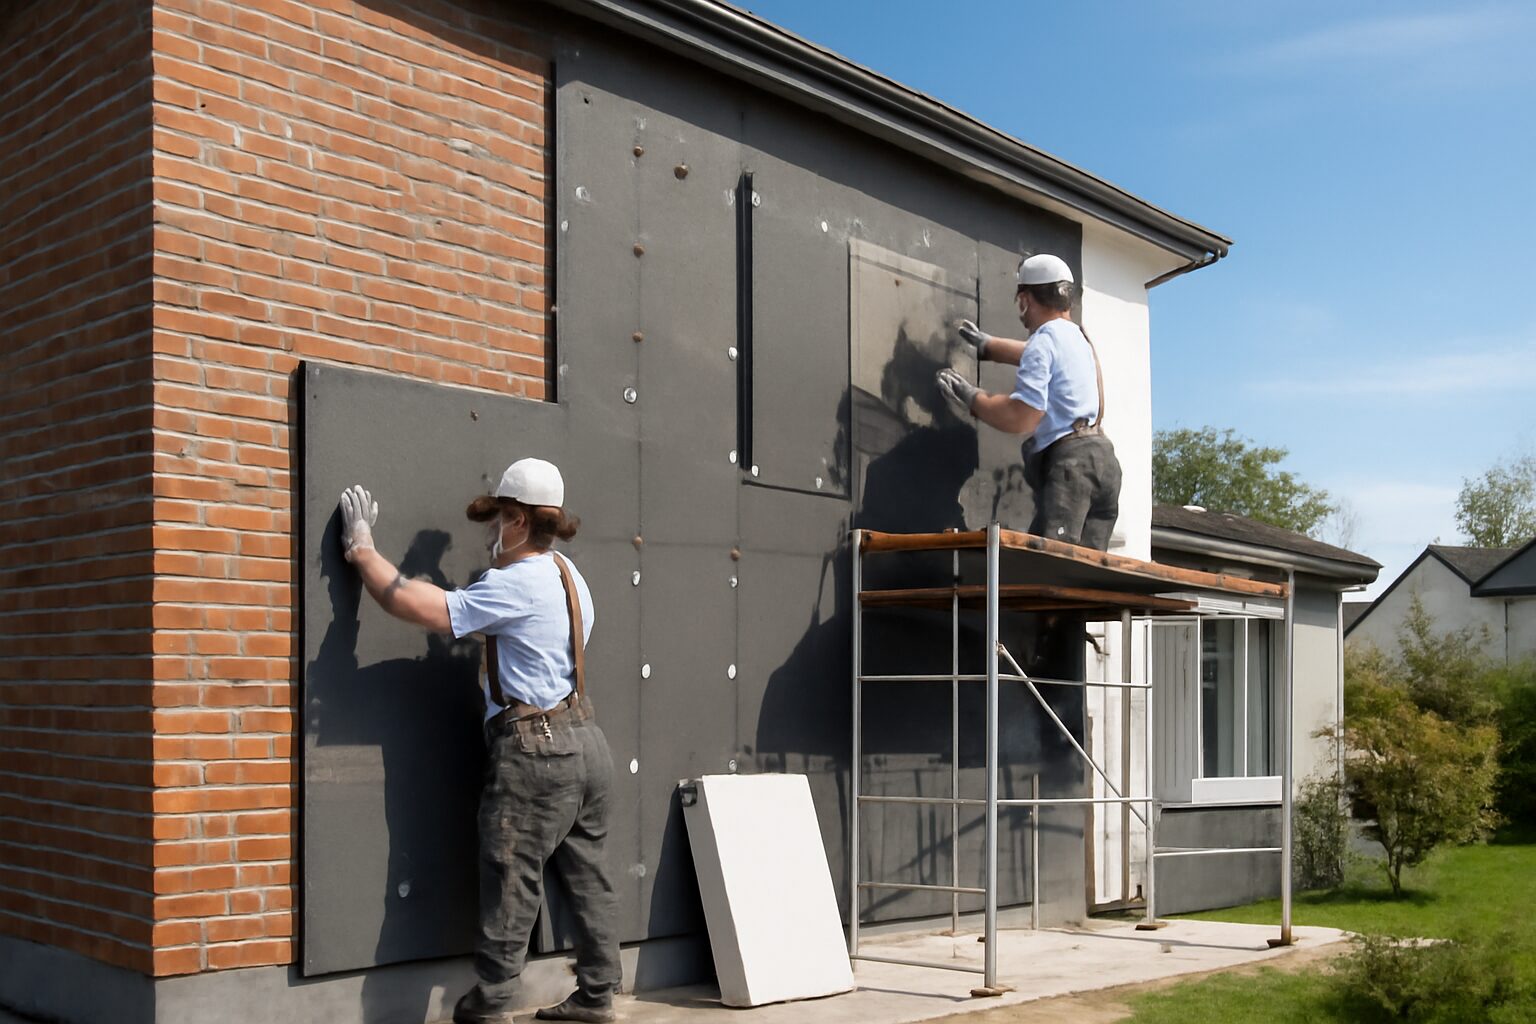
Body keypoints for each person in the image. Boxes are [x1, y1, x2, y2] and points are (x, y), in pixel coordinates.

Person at [338, 458, 621, 1024]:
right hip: (587, 742)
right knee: (589, 878)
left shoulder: (515, 582)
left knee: (510, 876)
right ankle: (597, 996)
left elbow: (417, 606)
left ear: (517, 520)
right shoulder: (569, 574)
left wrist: (362, 550)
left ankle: (489, 1006)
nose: (489, 532)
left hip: (536, 751)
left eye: (496, 519)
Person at [935, 253, 1122, 550]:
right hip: (1104, 464)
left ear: (1024, 300)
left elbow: (1022, 416)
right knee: (1088, 568)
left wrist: (974, 398)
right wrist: (989, 346)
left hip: (1072, 469)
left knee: (1051, 563)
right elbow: (1038, 354)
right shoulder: (1077, 337)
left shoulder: (1044, 341)